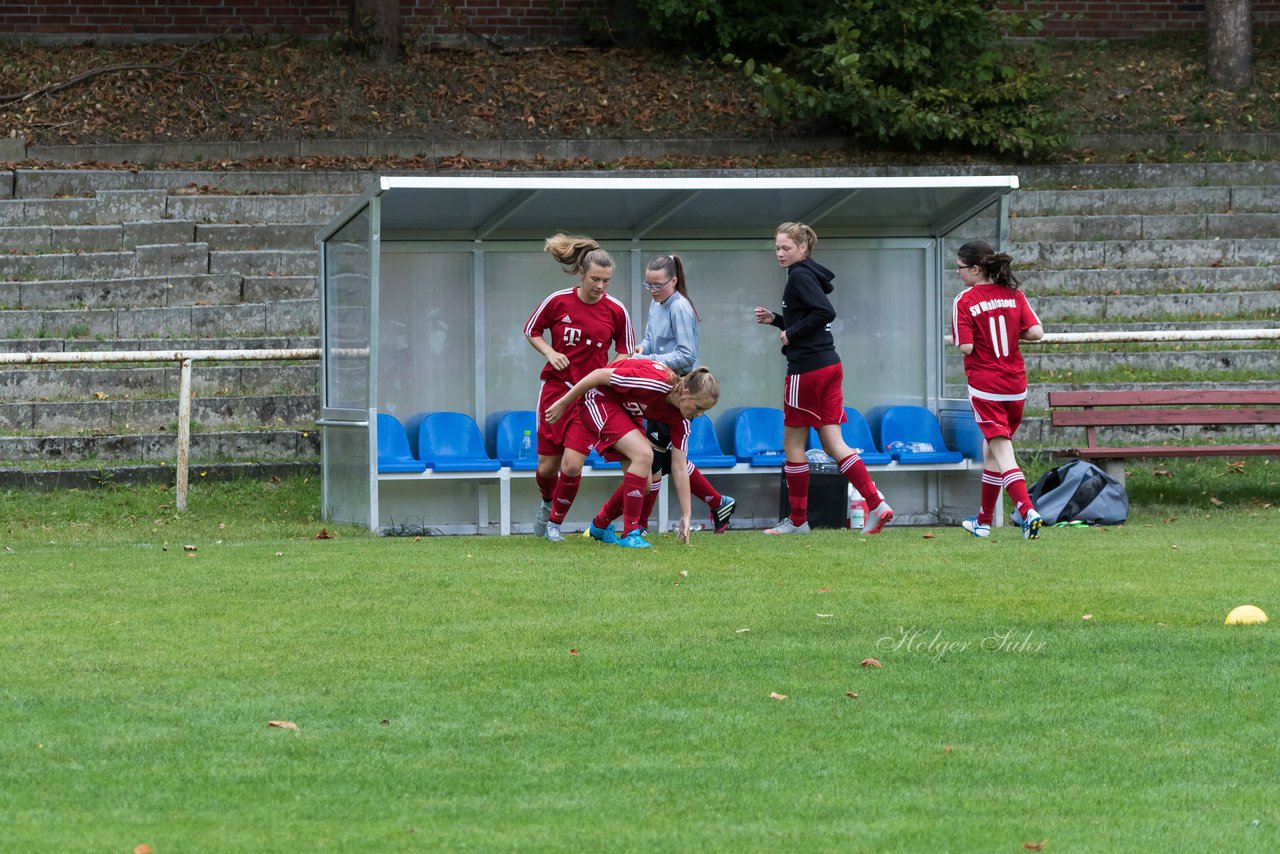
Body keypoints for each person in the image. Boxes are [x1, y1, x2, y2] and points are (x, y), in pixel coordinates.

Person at [752, 221, 893, 535]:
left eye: (786, 247)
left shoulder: (800, 276)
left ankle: (798, 521)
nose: (780, 253)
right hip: (829, 365)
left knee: (792, 444)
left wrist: (791, 332)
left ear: (803, 248)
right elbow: (809, 316)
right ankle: (876, 504)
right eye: (777, 247)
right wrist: (777, 321)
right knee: (833, 442)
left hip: (808, 370)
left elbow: (824, 312)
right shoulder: (807, 274)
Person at [590, 254, 736, 539]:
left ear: (674, 281)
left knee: (657, 462)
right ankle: (717, 503)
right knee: (658, 461)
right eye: (649, 285)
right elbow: (648, 339)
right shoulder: (657, 304)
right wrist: (640, 351)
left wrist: (651, 362)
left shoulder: (680, 307)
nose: (653, 291)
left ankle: (635, 527)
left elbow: (686, 356)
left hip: (675, 392)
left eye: (658, 285)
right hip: (657, 387)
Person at [523, 234, 635, 542]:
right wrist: (550, 352)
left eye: (607, 280)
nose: (601, 286)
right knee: (548, 468)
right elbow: (531, 330)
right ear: (582, 274)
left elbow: (626, 349)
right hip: (556, 390)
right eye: (596, 279)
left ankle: (555, 524)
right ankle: (547, 502)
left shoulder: (616, 310)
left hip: (590, 398)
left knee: (572, 466)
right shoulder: (558, 301)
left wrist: (606, 372)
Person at [545, 360, 721, 548]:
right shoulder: (656, 382)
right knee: (644, 455)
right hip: (598, 399)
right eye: (699, 407)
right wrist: (563, 403)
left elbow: (679, 466)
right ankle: (630, 533)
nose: (700, 414)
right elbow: (598, 374)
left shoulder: (683, 420)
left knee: (646, 483)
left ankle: (599, 526)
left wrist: (686, 515)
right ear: (686, 393)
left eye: (705, 410)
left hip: (625, 411)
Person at [950, 239, 1046, 539]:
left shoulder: (965, 300)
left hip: (986, 386)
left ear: (976, 269)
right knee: (990, 450)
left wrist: (964, 339)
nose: (958, 274)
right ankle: (983, 521)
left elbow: (965, 346)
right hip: (1015, 385)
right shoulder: (1014, 294)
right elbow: (1036, 332)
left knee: (1003, 453)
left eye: (960, 268)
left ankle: (1027, 511)